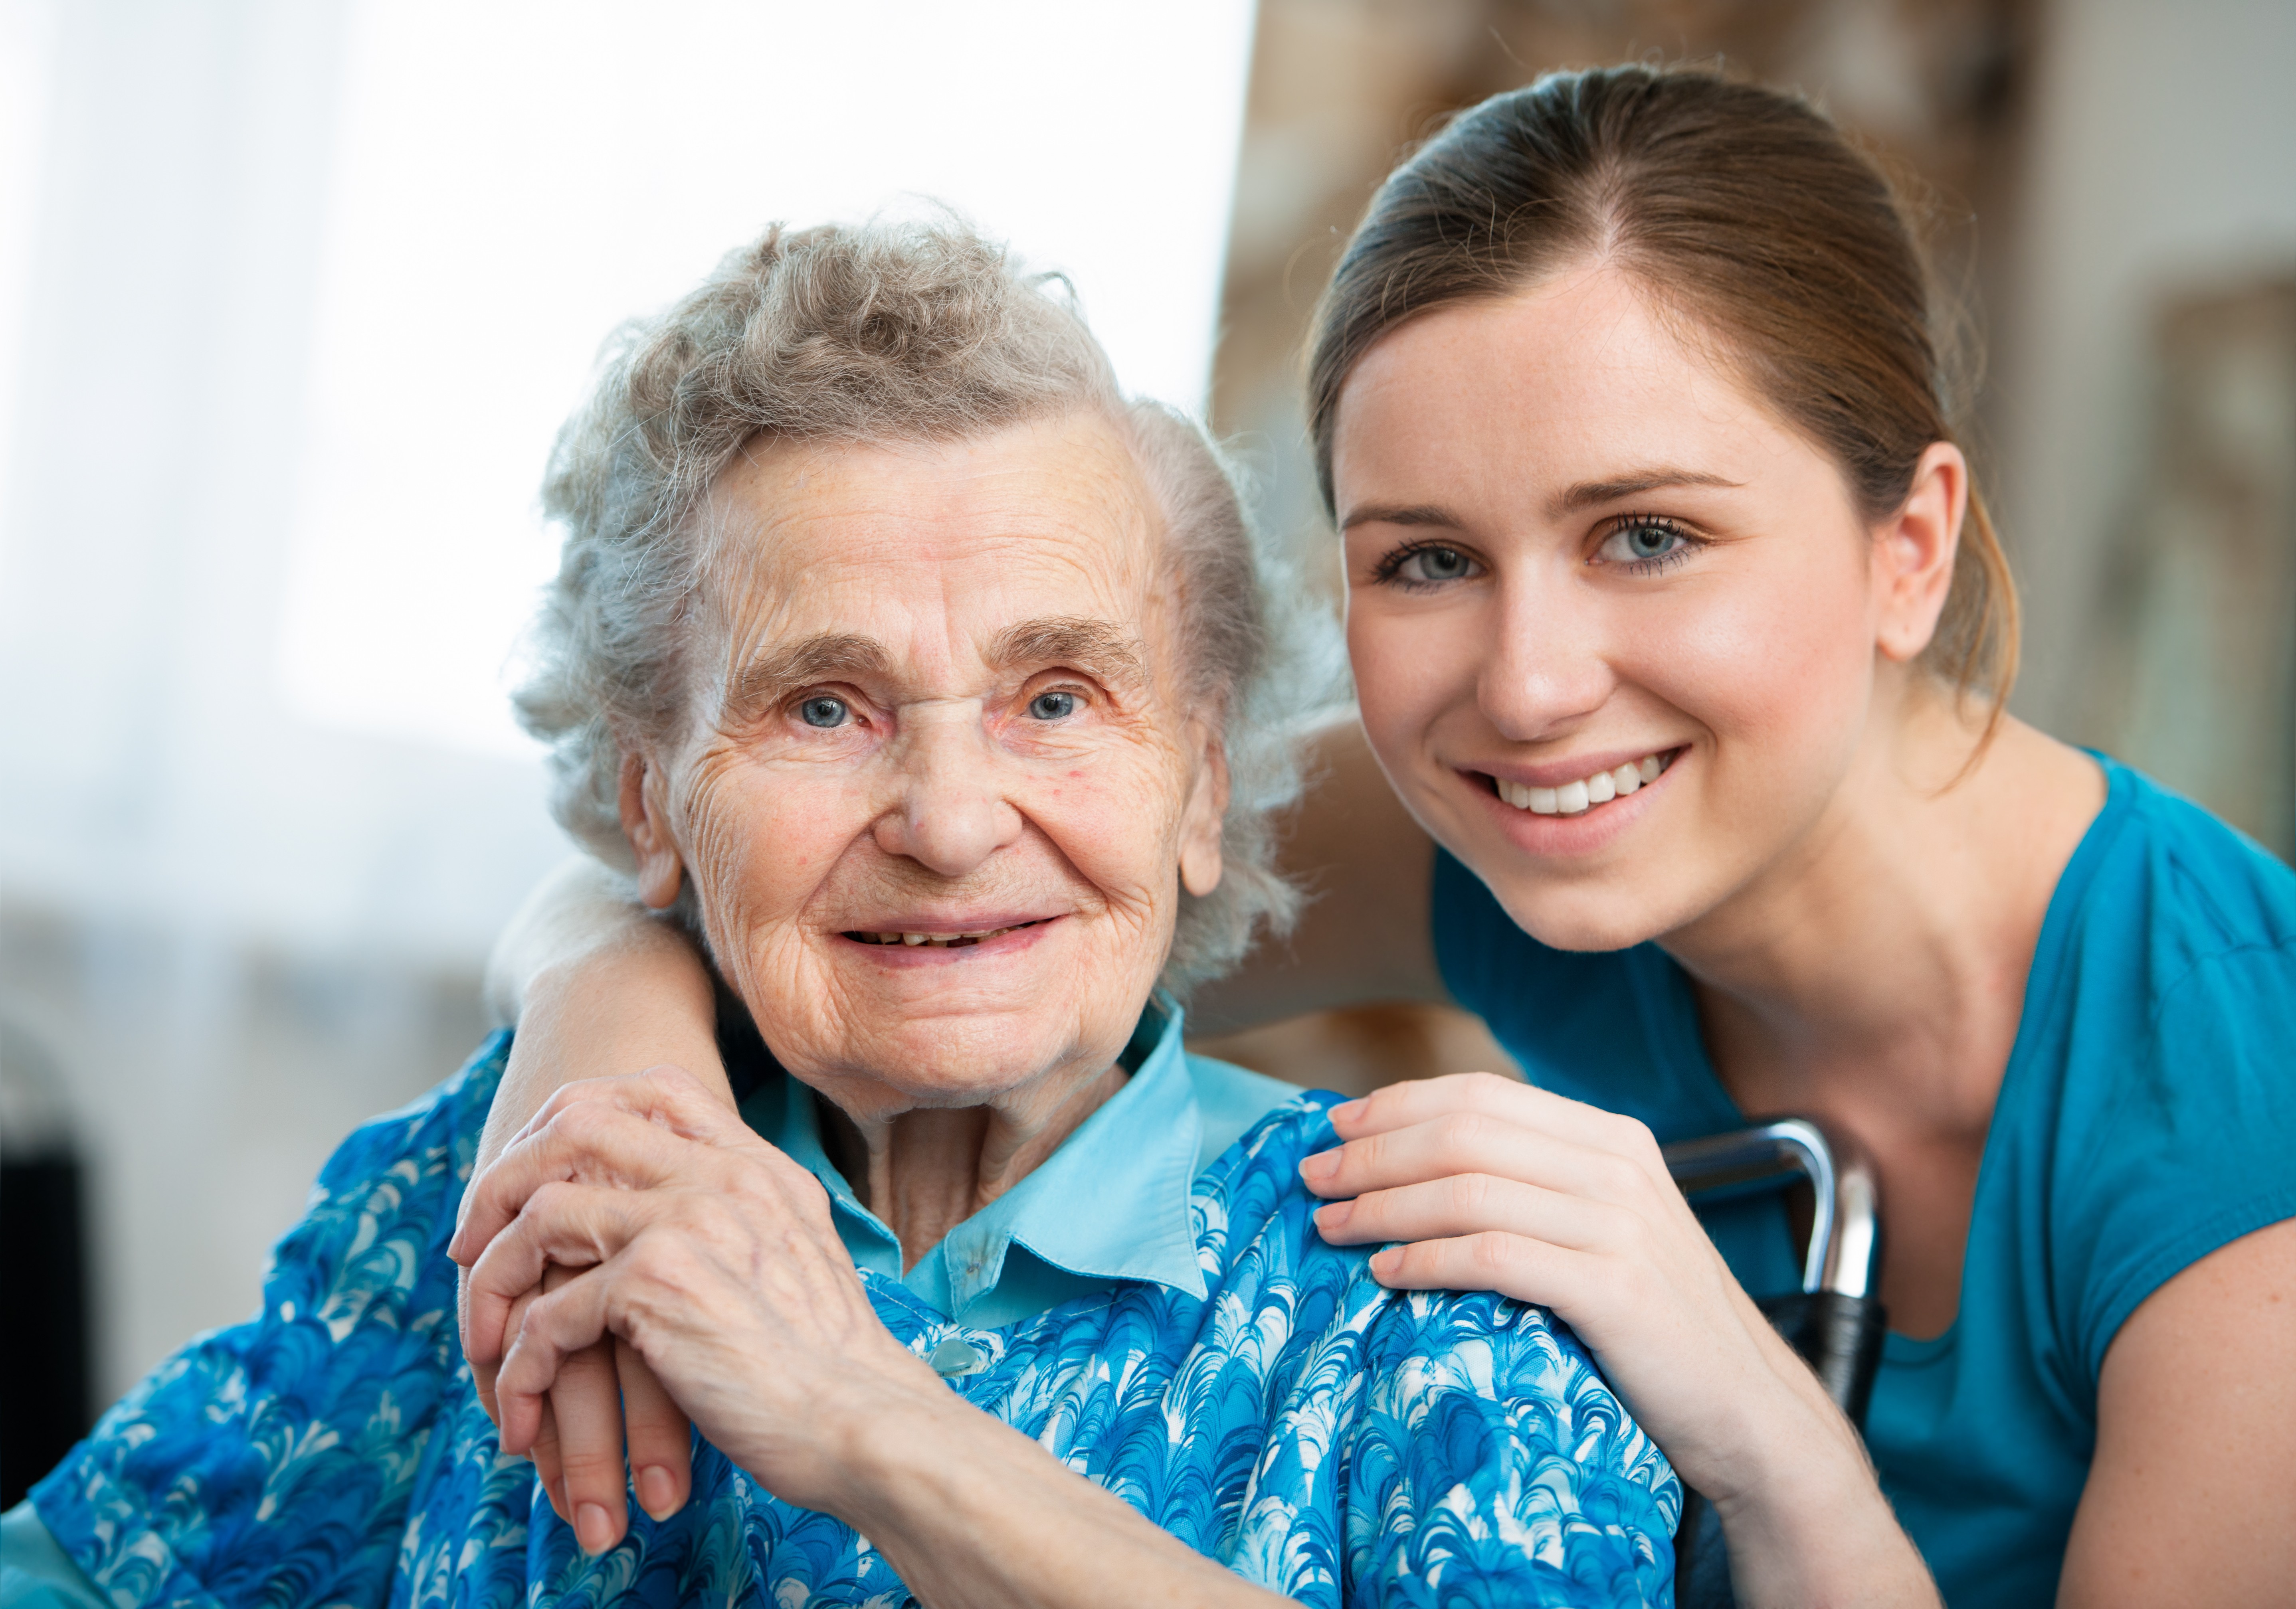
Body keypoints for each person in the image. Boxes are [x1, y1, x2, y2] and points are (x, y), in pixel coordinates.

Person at [447, 66, 2296, 1608]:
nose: (1533, 681)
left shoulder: (2234, 1102)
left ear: (1909, 550)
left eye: (1645, 534)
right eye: (1426, 558)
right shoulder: (1477, 815)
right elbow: (847, 869)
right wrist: (605, 1085)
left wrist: (1747, 1410)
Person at [2, 219, 1681, 1609]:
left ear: (1198, 788)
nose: (951, 824)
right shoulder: (508, 1191)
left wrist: (865, 1416)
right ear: (651, 800)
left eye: (1057, 698)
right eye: (824, 706)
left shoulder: (1434, 1305)